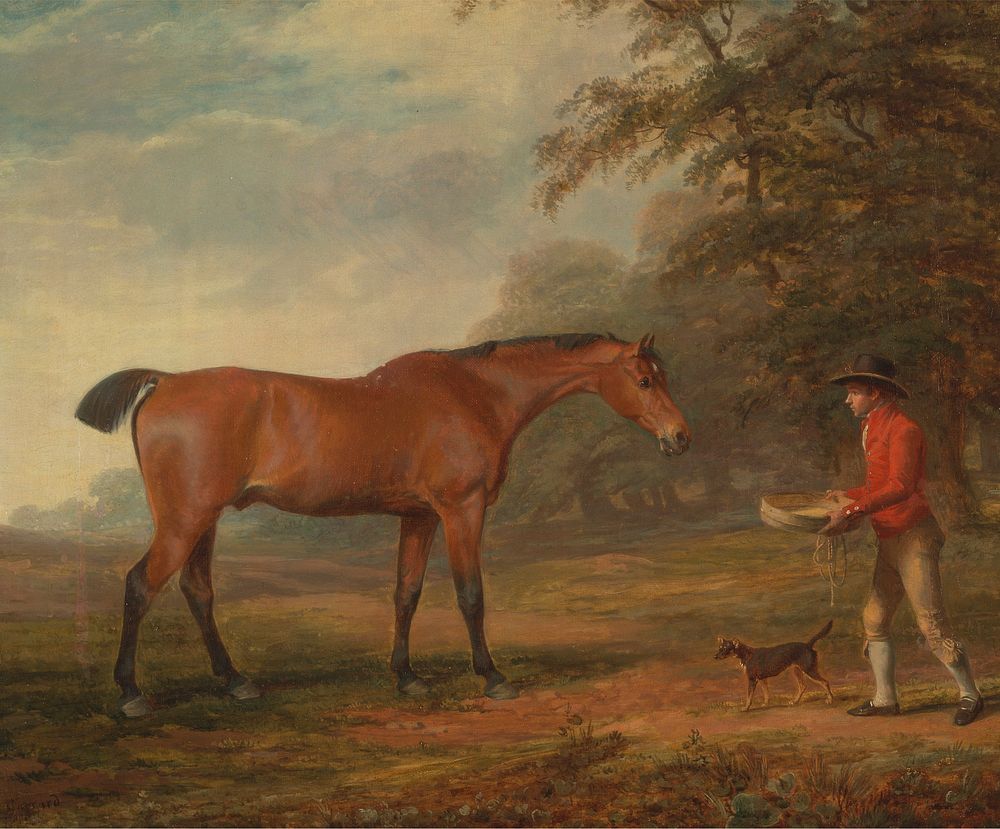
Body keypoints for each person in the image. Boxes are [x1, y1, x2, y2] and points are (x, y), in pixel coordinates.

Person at [822, 354, 983, 726]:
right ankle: (885, 700)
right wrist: (845, 494)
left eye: (854, 392)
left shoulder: (905, 428)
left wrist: (849, 511)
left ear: (875, 392)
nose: (849, 400)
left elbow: (901, 486)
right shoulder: (872, 426)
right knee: (874, 618)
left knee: (931, 623)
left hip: (915, 537)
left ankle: (970, 695)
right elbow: (876, 486)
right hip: (889, 538)